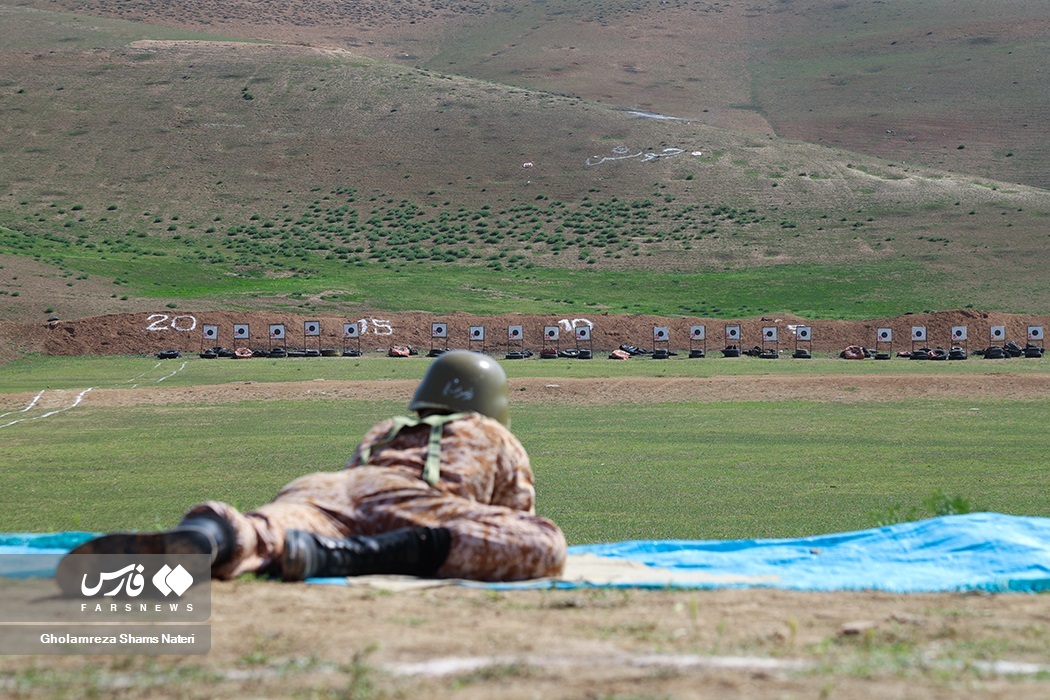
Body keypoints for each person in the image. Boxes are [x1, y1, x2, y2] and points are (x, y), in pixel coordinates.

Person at [58, 351, 567, 583]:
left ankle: (210, 532)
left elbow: (354, 497)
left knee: (267, 529)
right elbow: (513, 518)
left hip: (325, 488)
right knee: (543, 542)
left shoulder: (385, 428)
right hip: (411, 504)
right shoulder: (496, 435)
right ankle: (346, 557)